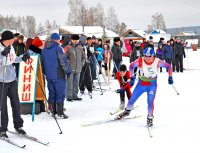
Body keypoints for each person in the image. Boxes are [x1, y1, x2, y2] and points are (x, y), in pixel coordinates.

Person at [116, 47, 174, 127]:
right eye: (145, 56)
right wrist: (132, 77)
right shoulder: (140, 60)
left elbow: (169, 67)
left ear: (153, 55)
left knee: (150, 101)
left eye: (149, 56)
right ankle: (127, 111)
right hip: (141, 83)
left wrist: (170, 77)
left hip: (152, 84)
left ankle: (150, 117)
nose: (147, 58)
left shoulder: (157, 61)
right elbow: (131, 66)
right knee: (132, 99)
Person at [0, 30, 30, 138]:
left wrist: (22, 58)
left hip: (12, 80)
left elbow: (13, 59)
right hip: (1, 82)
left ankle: (18, 126)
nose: (13, 41)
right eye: (11, 40)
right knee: (2, 107)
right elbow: (2, 63)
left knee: (16, 105)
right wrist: (3, 56)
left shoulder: (11, 46)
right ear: (5, 40)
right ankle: (2, 129)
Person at [41, 33, 71, 119]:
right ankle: (60, 113)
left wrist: (46, 73)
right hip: (59, 75)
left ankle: (53, 111)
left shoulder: (44, 49)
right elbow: (63, 62)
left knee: (52, 93)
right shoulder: (58, 48)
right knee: (60, 94)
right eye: (59, 39)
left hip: (49, 76)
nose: (59, 41)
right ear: (56, 39)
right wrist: (68, 71)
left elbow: (42, 63)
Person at [64, 34, 85, 102]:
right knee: (69, 83)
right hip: (70, 69)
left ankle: (75, 95)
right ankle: (69, 96)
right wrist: (68, 64)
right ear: (71, 40)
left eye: (77, 40)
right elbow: (64, 58)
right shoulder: (67, 47)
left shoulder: (80, 48)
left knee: (76, 83)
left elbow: (83, 57)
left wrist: (82, 63)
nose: (75, 41)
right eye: (74, 40)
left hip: (78, 68)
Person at [27, 37, 46, 113]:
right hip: (38, 74)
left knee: (35, 91)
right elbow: (42, 64)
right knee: (40, 91)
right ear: (37, 46)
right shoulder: (38, 53)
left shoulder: (29, 51)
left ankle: (38, 107)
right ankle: (41, 108)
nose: (42, 47)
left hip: (30, 75)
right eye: (41, 45)